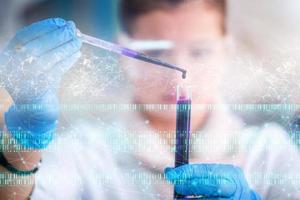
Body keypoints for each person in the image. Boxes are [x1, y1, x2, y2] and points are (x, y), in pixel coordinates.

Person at [0, 0, 300, 199]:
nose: (179, 73)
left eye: (200, 51)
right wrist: (20, 147)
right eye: (156, 51)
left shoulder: (270, 151)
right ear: (124, 53)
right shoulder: (86, 151)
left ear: (227, 52)